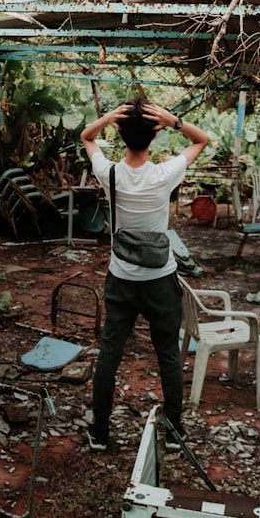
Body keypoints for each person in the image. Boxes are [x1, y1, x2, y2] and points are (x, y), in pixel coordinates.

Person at [80, 98, 210, 451]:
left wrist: (107, 117)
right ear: (155, 134)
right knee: (167, 353)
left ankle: (100, 433)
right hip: (160, 279)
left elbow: (87, 138)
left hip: (121, 277)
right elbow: (202, 140)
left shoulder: (109, 174)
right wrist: (173, 121)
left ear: (120, 134)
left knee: (110, 353)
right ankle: (173, 432)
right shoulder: (165, 174)